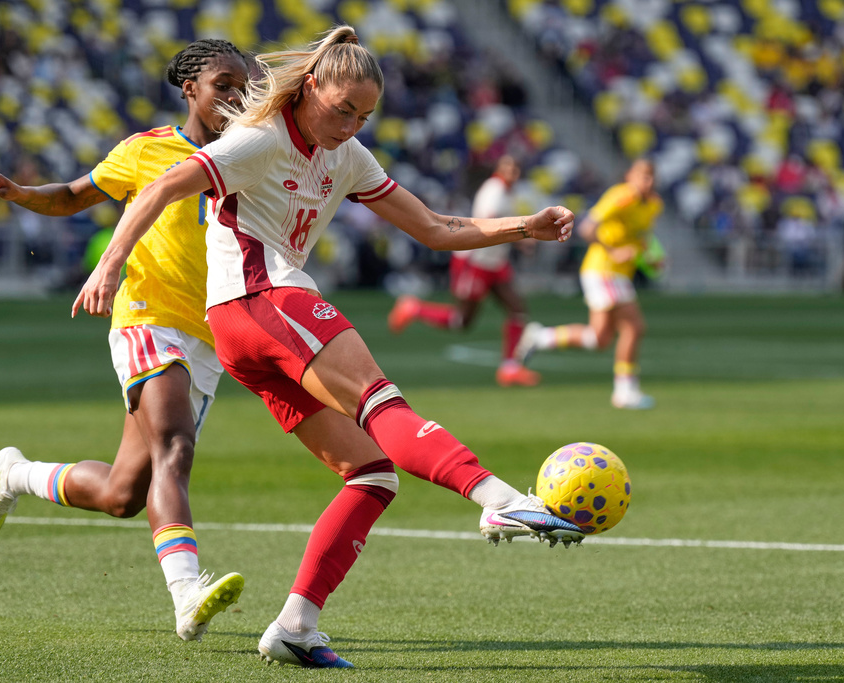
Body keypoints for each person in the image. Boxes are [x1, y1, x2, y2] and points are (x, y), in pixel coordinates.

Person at [75, 26, 584, 669]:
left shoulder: (347, 154)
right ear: (311, 85)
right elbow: (161, 186)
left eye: (364, 116)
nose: (350, 126)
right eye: (342, 110)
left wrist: (524, 227)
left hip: (246, 329)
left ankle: (295, 627)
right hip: (263, 299)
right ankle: (501, 502)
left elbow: (432, 227)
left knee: (371, 473)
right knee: (381, 403)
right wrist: (109, 263)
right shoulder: (260, 136)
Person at [0, 39, 254, 643]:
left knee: (125, 493)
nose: (235, 96)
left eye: (243, 86)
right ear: (190, 88)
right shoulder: (146, 151)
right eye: (223, 83)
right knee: (175, 445)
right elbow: (73, 196)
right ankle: (186, 594)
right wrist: (19, 193)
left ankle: (16, 475)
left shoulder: (254, 153)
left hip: (208, 333)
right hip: (147, 317)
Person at [514, 158, 663, 409]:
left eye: (651, 176)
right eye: (642, 175)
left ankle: (541, 337)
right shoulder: (621, 196)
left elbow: (640, 238)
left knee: (599, 339)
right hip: (603, 268)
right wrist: (613, 251)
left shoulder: (653, 205)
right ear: (629, 175)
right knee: (633, 327)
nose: (647, 181)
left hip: (616, 273)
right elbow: (588, 228)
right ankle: (625, 391)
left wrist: (651, 257)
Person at [387, 154, 541, 387]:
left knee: (517, 310)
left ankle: (510, 368)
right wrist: (523, 239)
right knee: (462, 321)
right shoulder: (494, 191)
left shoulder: (509, 192)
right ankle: (414, 308)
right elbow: (490, 221)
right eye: (509, 168)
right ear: (499, 169)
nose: (514, 173)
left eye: (517, 168)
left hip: (494, 261)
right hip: (475, 261)